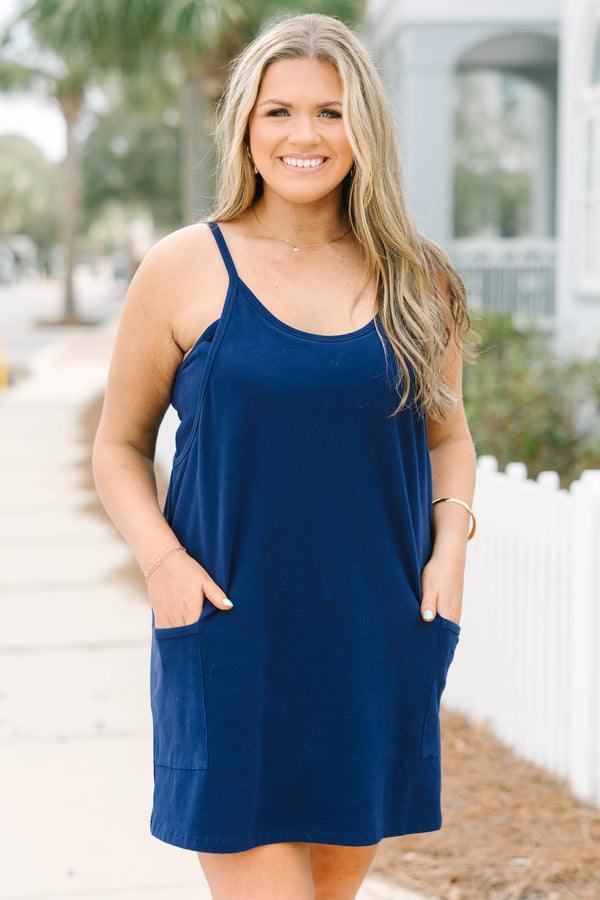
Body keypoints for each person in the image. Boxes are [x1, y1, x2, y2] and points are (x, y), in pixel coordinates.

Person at [93, 12, 476, 900]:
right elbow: (118, 445)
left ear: (365, 129)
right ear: (246, 126)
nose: (305, 135)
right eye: (280, 111)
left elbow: (448, 434)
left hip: (373, 643)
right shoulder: (183, 267)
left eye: (332, 112)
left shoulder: (419, 277)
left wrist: (450, 550)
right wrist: (163, 565)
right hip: (230, 637)